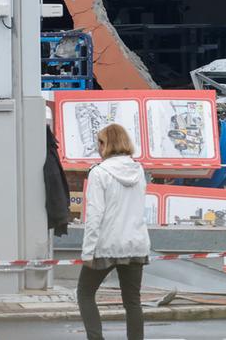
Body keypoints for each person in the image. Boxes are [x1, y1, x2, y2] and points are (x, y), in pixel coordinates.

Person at [78, 123, 151, 340]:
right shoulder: (139, 171)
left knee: (85, 293)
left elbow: (94, 215)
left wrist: (88, 251)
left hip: (107, 244)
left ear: (105, 144)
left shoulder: (99, 173)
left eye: (99, 142)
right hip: (135, 243)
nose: (97, 148)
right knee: (132, 301)